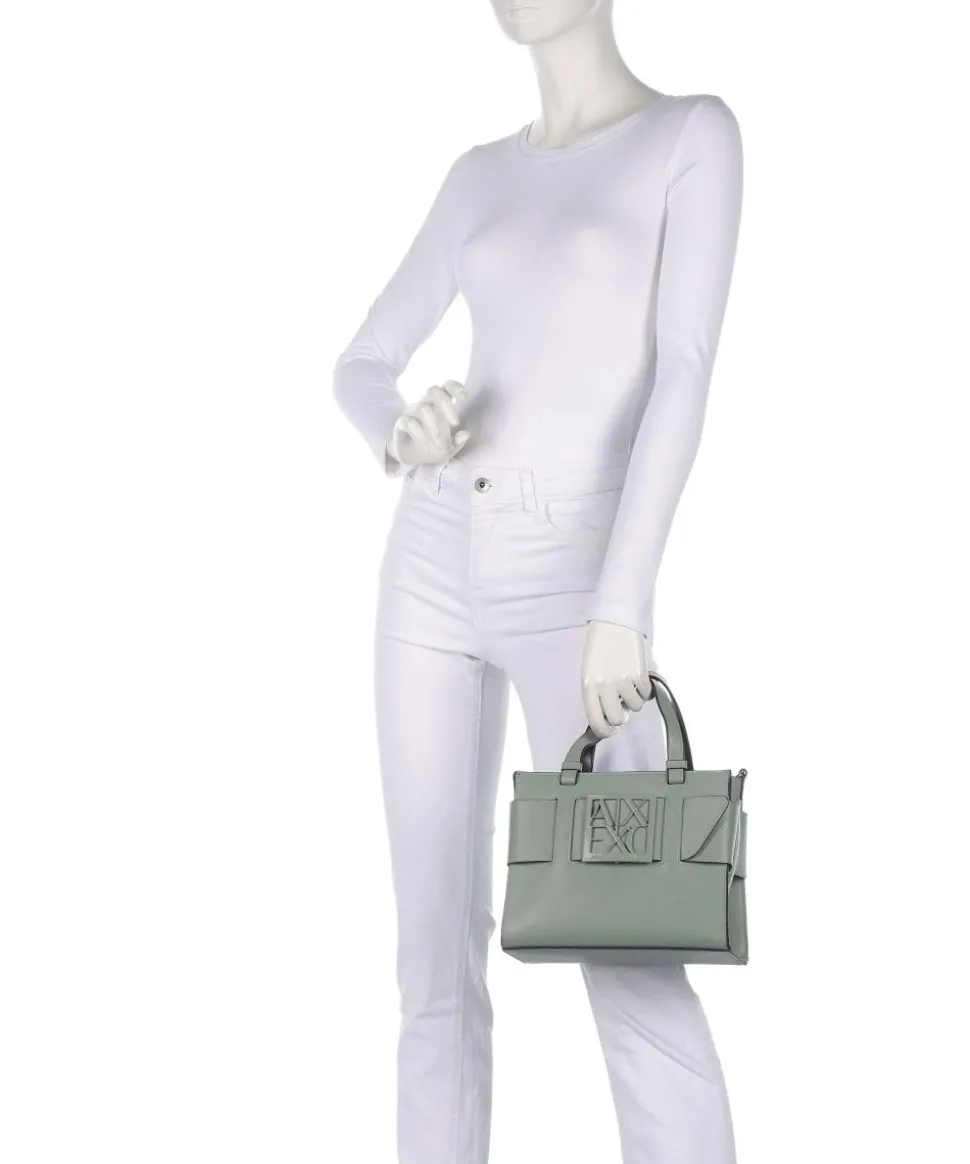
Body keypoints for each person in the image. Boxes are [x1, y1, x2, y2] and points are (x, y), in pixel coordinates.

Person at [332, 3, 744, 1161]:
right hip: (428, 563)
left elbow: (684, 373)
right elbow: (361, 359)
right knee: (431, 966)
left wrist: (623, 602)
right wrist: (398, 430)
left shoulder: (691, 135)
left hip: (576, 574)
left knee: (630, 950)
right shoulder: (477, 174)